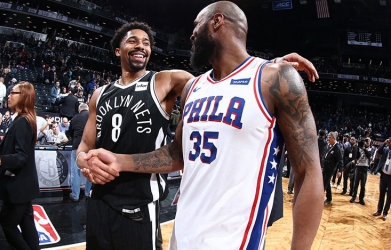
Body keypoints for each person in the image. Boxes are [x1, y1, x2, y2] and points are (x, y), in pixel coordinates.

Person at [80, 2, 323, 249]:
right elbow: (177, 153)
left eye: (196, 25)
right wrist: (120, 161)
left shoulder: (274, 78)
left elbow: (308, 172)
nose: (191, 34)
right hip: (182, 234)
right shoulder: (193, 88)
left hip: (234, 240)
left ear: (216, 21)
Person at [0, 81, 39, 249]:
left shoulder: (22, 122)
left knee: (8, 224)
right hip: (24, 186)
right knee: (27, 224)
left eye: (13, 93)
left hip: (19, 187)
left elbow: (21, 157)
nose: (8, 96)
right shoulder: (23, 120)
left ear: (23, 97)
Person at [68, 103, 92, 202]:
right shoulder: (92, 116)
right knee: (90, 170)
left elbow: (70, 133)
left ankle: (75, 195)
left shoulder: (74, 119)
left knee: (75, 171)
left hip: (77, 146)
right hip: (90, 147)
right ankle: (87, 193)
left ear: (79, 110)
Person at [322, 131, 343, 205]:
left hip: (330, 169)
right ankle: (329, 198)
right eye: (328, 137)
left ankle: (318, 200)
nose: (328, 139)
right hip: (325, 168)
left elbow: (340, 160)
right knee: (326, 184)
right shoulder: (329, 146)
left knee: (324, 184)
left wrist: (339, 171)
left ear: (334, 138)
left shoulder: (337, 148)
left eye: (330, 138)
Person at [373, 138, 391, 221]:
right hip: (384, 175)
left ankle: (385, 213)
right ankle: (379, 211)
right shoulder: (386, 150)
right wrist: (384, 143)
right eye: (390, 142)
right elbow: (378, 151)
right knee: (382, 193)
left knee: (389, 197)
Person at [350, 138, 371, 205]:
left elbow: (369, 156)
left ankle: (361, 199)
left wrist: (364, 148)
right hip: (358, 168)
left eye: (368, 142)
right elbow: (356, 156)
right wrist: (359, 148)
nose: (366, 143)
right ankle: (353, 197)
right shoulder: (358, 149)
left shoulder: (370, 149)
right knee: (355, 184)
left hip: (365, 169)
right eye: (366, 141)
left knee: (363, 186)